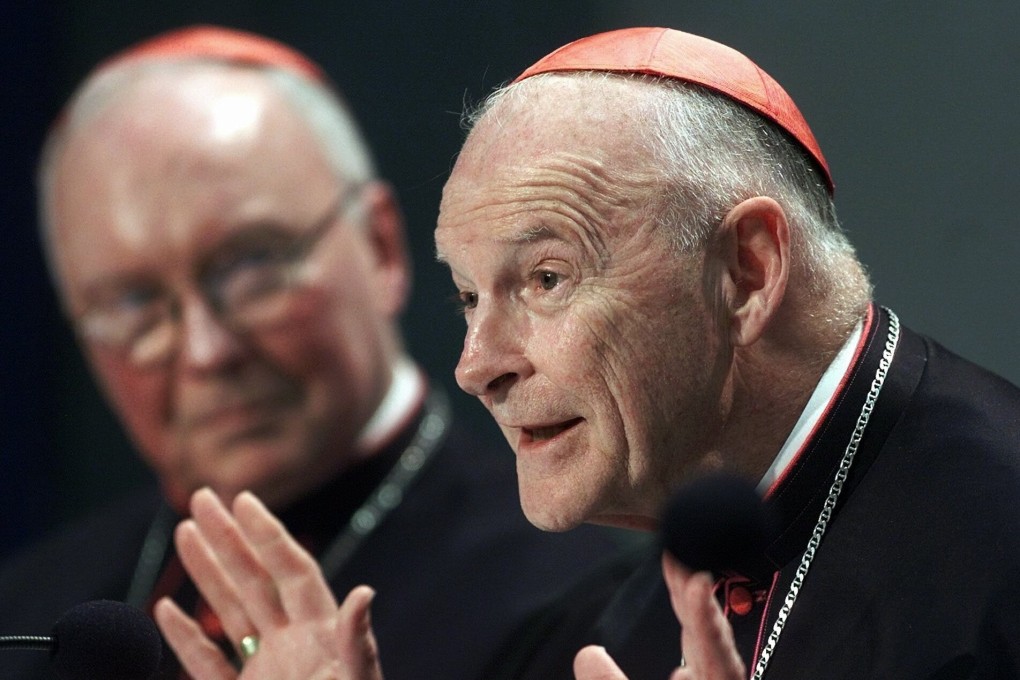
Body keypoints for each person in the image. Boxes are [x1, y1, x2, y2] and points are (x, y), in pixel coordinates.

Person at [152, 26, 1020, 680]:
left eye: (546, 278)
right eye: (465, 296)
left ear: (748, 272)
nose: (475, 365)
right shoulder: (589, 635)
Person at [0, 25, 633, 680]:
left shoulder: (576, 607)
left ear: (380, 246)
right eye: (132, 303)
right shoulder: (27, 613)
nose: (206, 351)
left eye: (250, 266)